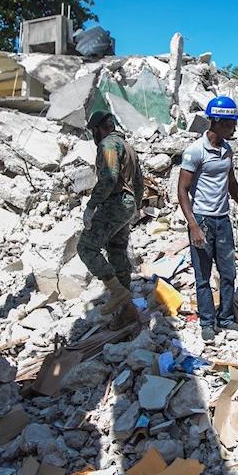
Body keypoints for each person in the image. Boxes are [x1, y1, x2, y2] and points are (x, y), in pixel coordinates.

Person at [178, 96, 238, 342]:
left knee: (228, 272)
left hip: (223, 220)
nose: (234, 128)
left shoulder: (227, 149)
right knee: (203, 276)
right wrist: (193, 225)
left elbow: (231, 183)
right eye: (232, 123)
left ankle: (225, 319)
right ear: (219, 122)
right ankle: (206, 322)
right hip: (201, 219)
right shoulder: (195, 151)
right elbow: (181, 191)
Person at [76, 109, 144, 327]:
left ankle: (116, 292)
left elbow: (108, 178)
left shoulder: (108, 145)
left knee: (86, 247)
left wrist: (91, 205)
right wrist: (136, 208)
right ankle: (127, 312)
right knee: (117, 253)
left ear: (100, 129)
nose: (94, 137)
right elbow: (140, 182)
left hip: (115, 202)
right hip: (128, 205)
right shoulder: (128, 147)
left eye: (94, 132)